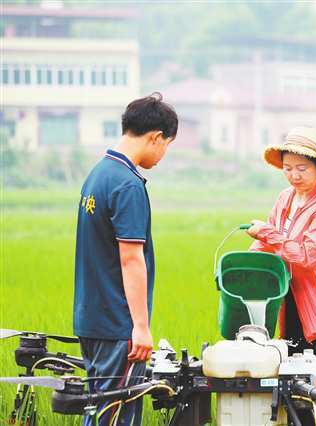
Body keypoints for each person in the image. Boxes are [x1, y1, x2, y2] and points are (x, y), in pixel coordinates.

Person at [73, 92, 178, 426]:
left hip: (92, 319)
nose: (163, 155)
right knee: (116, 416)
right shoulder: (127, 185)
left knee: (100, 410)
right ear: (155, 137)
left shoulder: (98, 174)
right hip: (118, 326)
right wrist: (141, 327)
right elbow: (132, 259)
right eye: (167, 145)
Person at [246, 126, 316, 360]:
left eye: (302, 169)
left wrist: (266, 233)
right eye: (287, 168)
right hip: (292, 299)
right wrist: (247, 266)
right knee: (292, 378)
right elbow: (268, 245)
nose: (294, 175)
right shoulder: (286, 197)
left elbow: (308, 256)